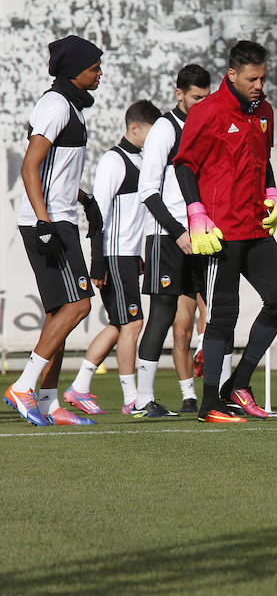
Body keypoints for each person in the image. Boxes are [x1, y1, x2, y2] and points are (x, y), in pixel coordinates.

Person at [174, 40, 277, 423]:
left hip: (256, 228)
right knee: (224, 314)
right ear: (232, 75)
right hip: (219, 231)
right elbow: (184, 165)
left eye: (263, 77)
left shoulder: (265, 111)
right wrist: (196, 213)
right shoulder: (207, 112)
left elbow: (265, 160)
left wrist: (273, 193)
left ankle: (238, 384)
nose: (259, 84)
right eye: (252, 78)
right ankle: (210, 402)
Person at [5, 35, 103, 427]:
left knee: (59, 313)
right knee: (79, 305)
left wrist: (82, 196)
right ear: (73, 69)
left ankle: (46, 403)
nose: (100, 73)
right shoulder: (55, 105)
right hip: (48, 223)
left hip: (60, 215)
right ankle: (24, 385)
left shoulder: (72, 106)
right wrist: (44, 219)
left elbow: (55, 170)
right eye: (94, 67)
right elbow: (31, 165)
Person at [64, 100, 160, 415]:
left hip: (128, 257)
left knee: (121, 325)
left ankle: (79, 387)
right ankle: (132, 399)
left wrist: (139, 257)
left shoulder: (142, 159)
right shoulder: (113, 161)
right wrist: (98, 261)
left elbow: (135, 215)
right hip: (113, 256)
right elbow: (98, 212)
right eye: (151, 132)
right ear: (134, 128)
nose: (156, 139)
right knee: (133, 323)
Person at [134, 64, 212, 416]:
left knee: (215, 310)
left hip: (200, 235)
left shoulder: (206, 126)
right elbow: (148, 191)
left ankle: (213, 391)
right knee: (162, 314)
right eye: (196, 97)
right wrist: (177, 232)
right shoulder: (165, 128)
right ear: (180, 94)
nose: (202, 103)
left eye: (206, 97)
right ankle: (142, 399)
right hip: (168, 235)